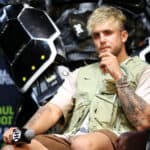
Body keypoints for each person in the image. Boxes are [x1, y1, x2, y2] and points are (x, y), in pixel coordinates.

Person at [2, 5, 150, 150]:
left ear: (123, 36)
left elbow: (143, 122)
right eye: (97, 35)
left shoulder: (144, 71)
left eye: (108, 33)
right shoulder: (80, 73)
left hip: (112, 138)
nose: (102, 40)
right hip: (70, 139)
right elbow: (52, 110)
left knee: (82, 144)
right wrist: (22, 134)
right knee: (12, 147)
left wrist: (119, 77)